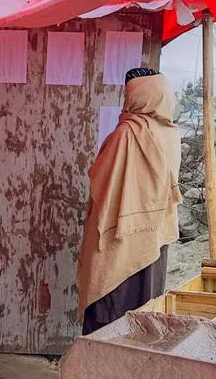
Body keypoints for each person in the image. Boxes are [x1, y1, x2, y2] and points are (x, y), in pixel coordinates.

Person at [76, 68, 182, 335]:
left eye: (130, 92)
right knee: (143, 312)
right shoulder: (171, 133)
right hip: (153, 238)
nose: (126, 98)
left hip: (120, 239)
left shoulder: (127, 133)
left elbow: (101, 180)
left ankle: (101, 371)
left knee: (109, 313)